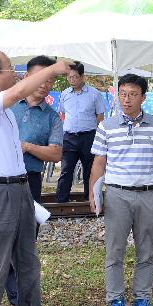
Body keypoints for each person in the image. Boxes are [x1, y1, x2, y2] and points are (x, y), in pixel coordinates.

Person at [0, 50, 69, 306]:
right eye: (9, 70)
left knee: (27, 259)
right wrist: (54, 69)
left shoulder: (4, 111)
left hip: (20, 187)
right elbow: (18, 92)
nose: (14, 75)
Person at [89, 74, 153, 306]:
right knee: (114, 251)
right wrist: (93, 193)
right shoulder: (107, 126)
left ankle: (141, 298)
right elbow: (99, 162)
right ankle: (115, 300)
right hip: (116, 193)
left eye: (133, 94)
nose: (127, 99)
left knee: (146, 250)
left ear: (143, 97)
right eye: (123, 94)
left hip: (147, 194)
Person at [4, 55, 64, 306]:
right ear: (26, 77)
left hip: (31, 180)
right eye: (40, 78)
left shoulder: (52, 117)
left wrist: (28, 146)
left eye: (50, 80)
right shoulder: (6, 105)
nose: (44, 84)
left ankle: (19, 296)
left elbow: (56, 154)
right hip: (0, 179)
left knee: (26, 239)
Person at [56, 62, 106, 202]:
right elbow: (62, 114)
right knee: (66, 170)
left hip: (88, 137)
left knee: (89, 170)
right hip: (69, 137)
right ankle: (61, 200)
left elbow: (100, 117)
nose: (72, 80)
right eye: (69, 77)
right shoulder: (65, 94)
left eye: (75, 77)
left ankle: (89, 199)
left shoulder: (94, 94)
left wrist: (98, 137)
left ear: (82, 76)